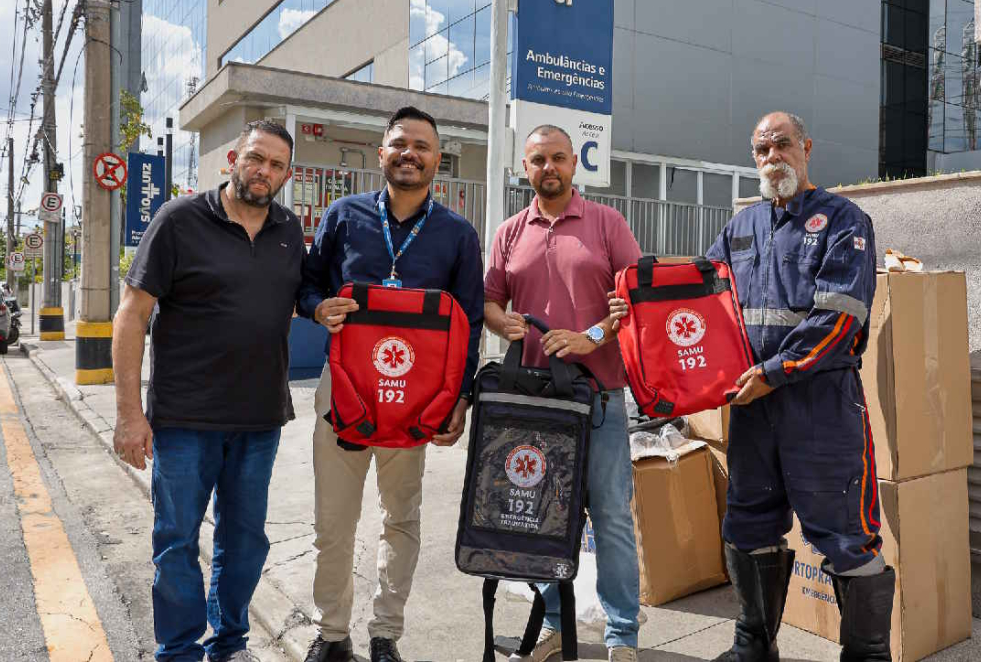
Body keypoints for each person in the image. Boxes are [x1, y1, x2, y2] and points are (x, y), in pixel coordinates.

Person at [615, 112, 891, 662]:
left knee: (846, 535)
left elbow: (842, 318)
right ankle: (754, 646)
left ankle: (866, 655)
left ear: (806, 148)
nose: (772, 158)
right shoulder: (740, 229)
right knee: (749, 521)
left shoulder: (843, 220)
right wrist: (637, 307)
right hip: (751, 407)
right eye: (762, 149)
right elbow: (697, 300)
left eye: (782, 145)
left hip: (820, 408)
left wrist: (776, 372)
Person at [297, 106, 484, 662]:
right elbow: (305, 287)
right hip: (345, 392)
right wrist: (316, 308)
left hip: (417, 400)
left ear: (438, 161)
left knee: (400, 519)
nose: (411, 153)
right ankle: (331, 635)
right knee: (334, 522)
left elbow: (469, 322)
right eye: (400, 143)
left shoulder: (456, 234)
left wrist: (461, 397)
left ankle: (385, 636)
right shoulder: (343, 215)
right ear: (382, 154)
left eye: (422, 146)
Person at [112, 120, 304, 662]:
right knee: (176, 541)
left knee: (244, 544)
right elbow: (131, 316)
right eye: (255, 158)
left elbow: (301, 297)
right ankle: (177, 652)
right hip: (184, 421)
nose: (263, 171)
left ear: (286, 175)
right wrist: (129, 413)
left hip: (259, 419)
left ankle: (229, 643)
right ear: (232, 160)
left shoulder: (289, 230)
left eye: (275, 165)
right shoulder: (179, 221)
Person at [483, 125, 643, 662]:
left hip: (599, 399)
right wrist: (500, 322)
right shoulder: (509, 231)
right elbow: (489, 299)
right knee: (543, 514)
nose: (547, 168)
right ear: (524, 168)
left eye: (557, 158)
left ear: (575, 163)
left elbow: (632, 302)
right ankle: (555, 622)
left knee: (612, 517)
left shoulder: (606, 223)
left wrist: (589, 336)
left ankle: (622, 636)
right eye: (537, 160)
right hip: (534, 402)